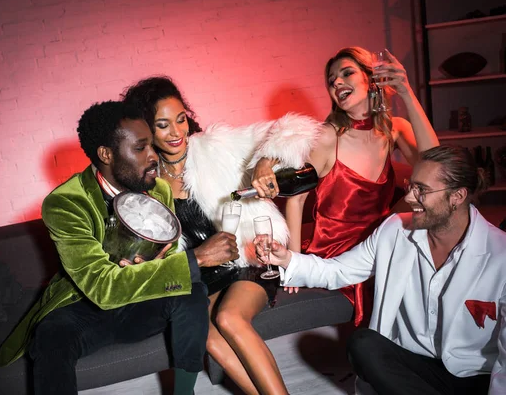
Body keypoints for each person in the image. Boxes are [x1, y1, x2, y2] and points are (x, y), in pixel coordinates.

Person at [0, 101, 238, 395]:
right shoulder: (66, 203)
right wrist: (196, 257)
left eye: (151, 145)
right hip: (84, 307)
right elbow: (101, 287)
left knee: (191, 291)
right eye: (141, 148)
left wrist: (163, 265)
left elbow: (170, 263)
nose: (153, 156)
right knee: (50, 335)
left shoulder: (158, 190)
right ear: (106, 154)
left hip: (140, 305)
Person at [122, 76, 322, 394]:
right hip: (203, 275)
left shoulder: (217, 146)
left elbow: (294, 129)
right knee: (207, 334)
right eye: (163, 125)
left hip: (250, 256)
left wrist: (264, 164)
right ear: (146, 130)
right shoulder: (146, 182)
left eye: (180, 119)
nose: (176, 132)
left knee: (228, 318)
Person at [257, 145, 506, 395]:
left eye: (422, 190)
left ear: (458, 196)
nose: (408, 198)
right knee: (364, 344)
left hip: (473, 376)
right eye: (410, 186)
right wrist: (287, 258)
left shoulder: (500, 254)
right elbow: (339, 271)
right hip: (412, 365)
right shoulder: (395, 230)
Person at [251, 47, 439, 328]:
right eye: (331, 80)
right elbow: (297, 201)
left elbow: (438, 165)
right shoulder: (328, 136)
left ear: (370, 79)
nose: (336, 82)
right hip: (334, 249)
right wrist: (294, 263)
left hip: (382, 242)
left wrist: (406, 92)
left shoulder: (394, 129)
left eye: (346, 73)